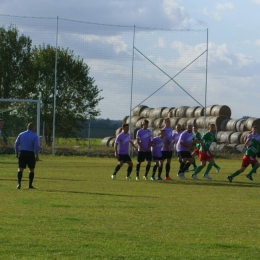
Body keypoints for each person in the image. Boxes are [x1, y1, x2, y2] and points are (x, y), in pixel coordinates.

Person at [14, 122, 39, 189]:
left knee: (20, 168)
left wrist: (16, 152)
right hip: (30, 153)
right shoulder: (35, 136)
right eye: (35, 128)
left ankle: (19, 184)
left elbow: (16, 144)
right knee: (31, 169)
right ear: (33, 128)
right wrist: (37, 155)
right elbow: (36, 146)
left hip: (22, 152)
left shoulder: (21, 134)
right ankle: (30, 185)